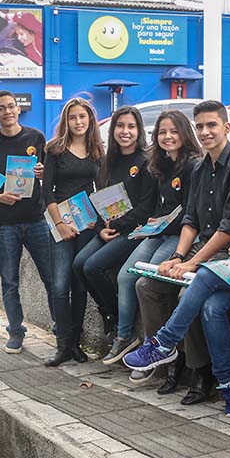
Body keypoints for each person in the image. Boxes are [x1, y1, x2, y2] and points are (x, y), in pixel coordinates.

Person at [124, 109, 230, 417]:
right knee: (175, 294)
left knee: (199, 281)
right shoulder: (222, 168)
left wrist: (194, 262)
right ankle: (225, 379)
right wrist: (180, 257)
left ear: (224, 126)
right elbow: (211, 218)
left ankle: (174, 350)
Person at [103, 109, 202, 378]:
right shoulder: (161, 163)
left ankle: (156, 349)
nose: (167, 137)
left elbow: (192, 213)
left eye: (173, 131)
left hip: (180, 237)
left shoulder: (193, 164)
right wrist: (151, 223)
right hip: (158, 232)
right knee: (125, 276)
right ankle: (126, 338)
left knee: (146, 284)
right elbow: (160, 205)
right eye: (162, 132)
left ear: (184, 132)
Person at [0, 90, 56, 353]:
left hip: (36, 219)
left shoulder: (36, 137)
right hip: (5, 223)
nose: (7, 111)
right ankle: (15, 331)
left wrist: (42, 173)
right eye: (1, 108)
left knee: (51, 277)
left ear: (18, 109)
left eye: (11, 106)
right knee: (9, 281)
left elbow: (49, 176)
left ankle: (60, 326)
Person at [74, 106, 152, 349]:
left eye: (131, 126)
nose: (125, 131)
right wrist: (100, 228)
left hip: (135, 231)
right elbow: (101, 199)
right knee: (79, 265)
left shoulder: (146, 161)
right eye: (120, 126)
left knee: (94, 266)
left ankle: (117, 318)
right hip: (110, 228)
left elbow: (147, 207)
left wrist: (118, 224)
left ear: (139, 130)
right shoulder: (108, 161)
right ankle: (108, 311)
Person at [43, 97, 104, 366]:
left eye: (83, 117)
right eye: (73, 117)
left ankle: (76, 344)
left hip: (88, 224)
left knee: (80, 286)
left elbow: (101, 190)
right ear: (66, 121)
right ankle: (62, 344)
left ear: (90, 119)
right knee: (59, 285)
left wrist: (97, 218)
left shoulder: (97, 151)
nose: (78, 122)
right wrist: (60, 224)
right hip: (61, 224)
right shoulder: (55, 150)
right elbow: (47, 192)